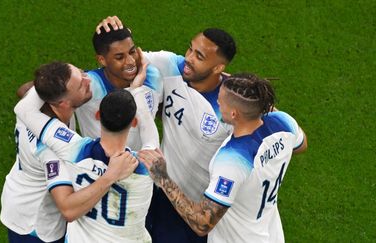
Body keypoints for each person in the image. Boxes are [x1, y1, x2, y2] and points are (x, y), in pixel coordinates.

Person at [97, 16, 236, 243]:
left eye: (199, 57)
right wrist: (110, 31)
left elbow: (290, 138)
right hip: (157, 189)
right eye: (190, 49)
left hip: (190, 205)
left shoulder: (231, 106)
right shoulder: (171, 65)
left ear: (219, 67)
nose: (188, 59)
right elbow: (125, 59)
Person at [139, 73, 308, 243]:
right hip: (271, 235)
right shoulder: (284, 123)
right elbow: (302, 144)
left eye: (221, 101)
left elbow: (202, 224)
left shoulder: (231, 161)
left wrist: (163, 177)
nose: (217, 103)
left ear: (234, 114)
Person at [14, 60, 159, 242]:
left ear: (98, 116)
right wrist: (136, 89)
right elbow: (150, 133)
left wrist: (49, 80)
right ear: (133, 122)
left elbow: (23, 108)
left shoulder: (73, 148)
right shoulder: (147, 164)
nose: (87, 80)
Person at [75, 23, 163, 151]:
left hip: (138, 168)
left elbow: (159, 107)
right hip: (99, 168)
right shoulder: (88, 86)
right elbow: (41, 91)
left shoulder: (153, 77)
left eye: (132, 52)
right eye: (119, 57)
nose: (130, 61)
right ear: (102, 60)